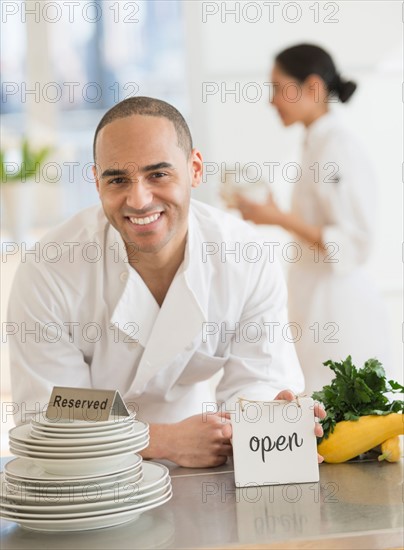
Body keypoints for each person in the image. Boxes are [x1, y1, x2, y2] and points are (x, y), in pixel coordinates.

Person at [8, 96, 325, 467]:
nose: (139, 199)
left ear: (194, 169)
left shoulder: (245, 257)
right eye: (118, 179)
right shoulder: (50, 269)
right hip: (88, 476)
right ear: (96, 183)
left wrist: (264, 424)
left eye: (158, 174)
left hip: (202, 457)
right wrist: (160, 440)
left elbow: (260, 379)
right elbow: (49, 414)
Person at [233, 44, 390, 395]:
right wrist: (275, 215)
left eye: (277, 87)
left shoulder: (338, 147)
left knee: (343, 415)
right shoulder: (314, 143)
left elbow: (354, 241)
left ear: (314, 87)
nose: (271, 100)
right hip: (315, 298)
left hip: (339, 306)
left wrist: (280, 218)